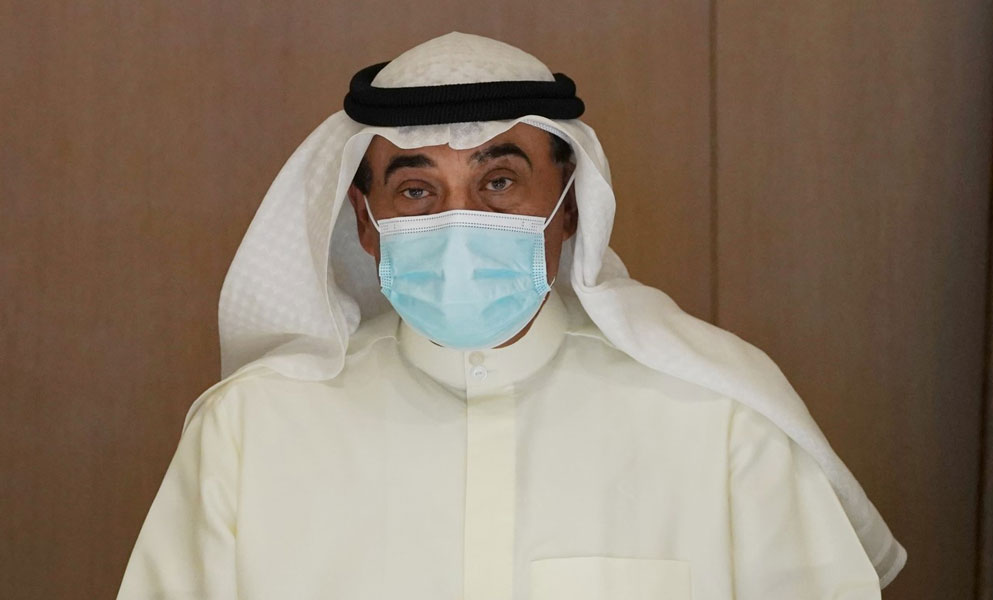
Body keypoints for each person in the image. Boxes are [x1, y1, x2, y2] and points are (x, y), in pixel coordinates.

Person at [116, 32, 906, 599]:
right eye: (416, 190)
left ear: (570, 207)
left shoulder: (723, 422)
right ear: (366, 221)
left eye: (498, 182)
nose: (458, 220)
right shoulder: (250, 432)